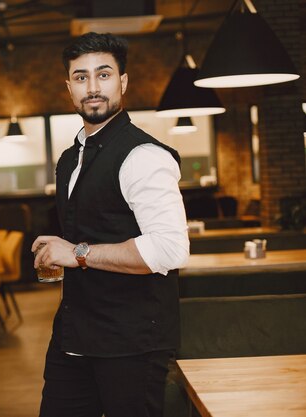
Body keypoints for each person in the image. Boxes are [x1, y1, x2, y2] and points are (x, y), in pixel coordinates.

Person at [32, 33, 189, 417]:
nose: (93, 87)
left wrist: (78, 253)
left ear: (123, 82)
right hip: (74, 336)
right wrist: (61, 250)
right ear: (69, 88)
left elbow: (170, 249)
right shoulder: (71, 158)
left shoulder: (144, 155)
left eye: (103, 75)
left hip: (131, 343)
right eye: (81, 77)